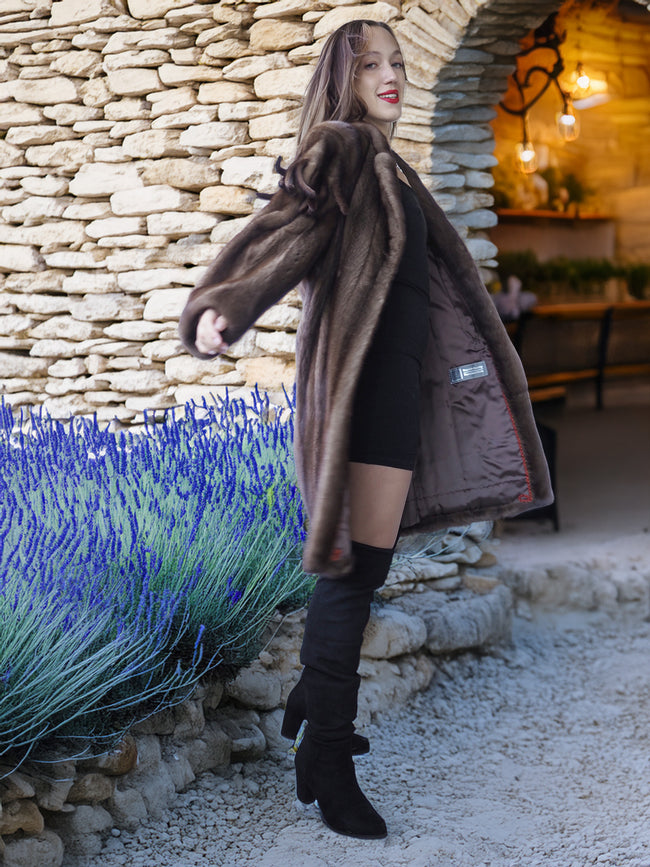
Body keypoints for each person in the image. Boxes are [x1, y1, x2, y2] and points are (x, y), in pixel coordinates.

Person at [179, 20, 552, 841]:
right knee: (349, 571)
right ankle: (328, 756)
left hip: (395, 393)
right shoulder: (341, 148)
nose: (390, 74)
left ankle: (320, 691)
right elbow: (286, 227)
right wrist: (224, 307)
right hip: (357, 389)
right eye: (370, 62)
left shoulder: (391, 166)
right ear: (342, 77)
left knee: (367, 561)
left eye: (396, 61)